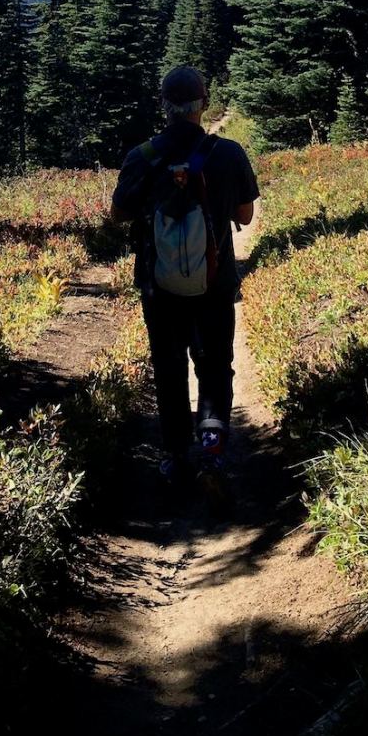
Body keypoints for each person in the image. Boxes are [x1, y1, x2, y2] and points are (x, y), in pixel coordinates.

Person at [110, 65, 259, 499]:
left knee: (169, 368)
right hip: (214, 284)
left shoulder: (143, 156)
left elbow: (118, 214)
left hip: (159, 287)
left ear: (165, 105)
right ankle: (211, 453)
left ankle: (175, 457)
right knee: (214, 366)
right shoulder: (228, 153)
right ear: (203, 104)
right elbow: (246, 216)